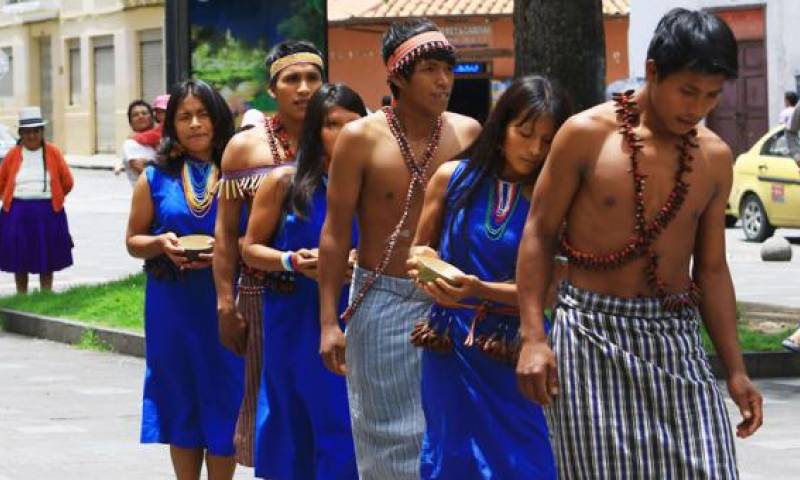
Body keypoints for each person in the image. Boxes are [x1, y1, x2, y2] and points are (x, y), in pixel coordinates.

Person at [515, 9, 763, 478]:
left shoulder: (713, 157)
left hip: (674, 335)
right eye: (687, 91)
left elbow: (710, 269)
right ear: (652, 72)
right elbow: (539, 233)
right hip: (590, 333)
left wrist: (735, 370)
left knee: (710, 467)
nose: (696, 108)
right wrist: (533, 337)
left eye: (711, 96)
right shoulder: (585, 135)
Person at [318, 19, 481, 479]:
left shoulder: (468, 133)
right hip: (381, 298)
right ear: (398, 77)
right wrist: (329, 322)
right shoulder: (360, 138)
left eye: (447, 69)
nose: (443, 80)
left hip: (452, 302)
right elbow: (333, 234)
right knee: (386, 436)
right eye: (429, 69)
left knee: (453, 431)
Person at [407, 75, 570, 479]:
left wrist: (479, 289)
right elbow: (418, 248)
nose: (534, 149)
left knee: (521, 458)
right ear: (501, 129)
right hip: (447, 341)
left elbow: (547, 295)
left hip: (515, 346)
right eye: (525, 132)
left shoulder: (556, 198)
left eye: (548, 140)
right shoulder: (451, 178)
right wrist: (427, 271)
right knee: (451, 452)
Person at [242, 83, 365, 480]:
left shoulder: (375, 184)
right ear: (315, 130)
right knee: (293, 419)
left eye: (353, 124)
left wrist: (359, 260)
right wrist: (290, 260)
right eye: (332, 125)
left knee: (344, 421)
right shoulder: (285, 182)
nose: (344, 133)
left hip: (355, 312)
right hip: (294, 315)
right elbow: (250, 248)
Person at [213, 40, 325, 467]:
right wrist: (226, 302)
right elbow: (225, 235)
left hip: (330, 295)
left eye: (313, 78)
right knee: (275, 409)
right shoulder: (246, 148)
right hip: (264, 296)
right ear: (272, 87)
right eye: (292, 79)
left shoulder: (343, 138)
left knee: (329, 405)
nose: (304, 89)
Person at [125, 79, 243, 480]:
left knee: (225, 393)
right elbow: (133, 241)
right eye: (185, 117)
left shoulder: (241, 173)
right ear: (172, 124)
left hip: (225, 301)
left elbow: (260, 236)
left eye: (203, 114)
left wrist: (227, 249)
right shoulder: (155, 178)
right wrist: (159, 242)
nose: (195, 124)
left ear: (219, 119)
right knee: (182, 396)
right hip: (172, 305)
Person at [0, 106, 74, 294]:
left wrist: (53, 197)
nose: (31, 136)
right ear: (20, 134)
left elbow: (67, 181)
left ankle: (46, 293)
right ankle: (21, 294)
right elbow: (2, 182)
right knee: (19, 257)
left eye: (35, 131)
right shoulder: (12, 156)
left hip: (48, 212)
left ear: (42, 132)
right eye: (27, 132)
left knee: (46, 256)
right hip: (17, 213)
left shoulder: (54, 153)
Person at [117, 100, 157, 185]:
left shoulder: (158, 140)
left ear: (152, 117)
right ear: (130, 122)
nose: (140, 116)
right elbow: (143, 171)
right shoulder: (130, 144)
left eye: (144, 113)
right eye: (135, 115)